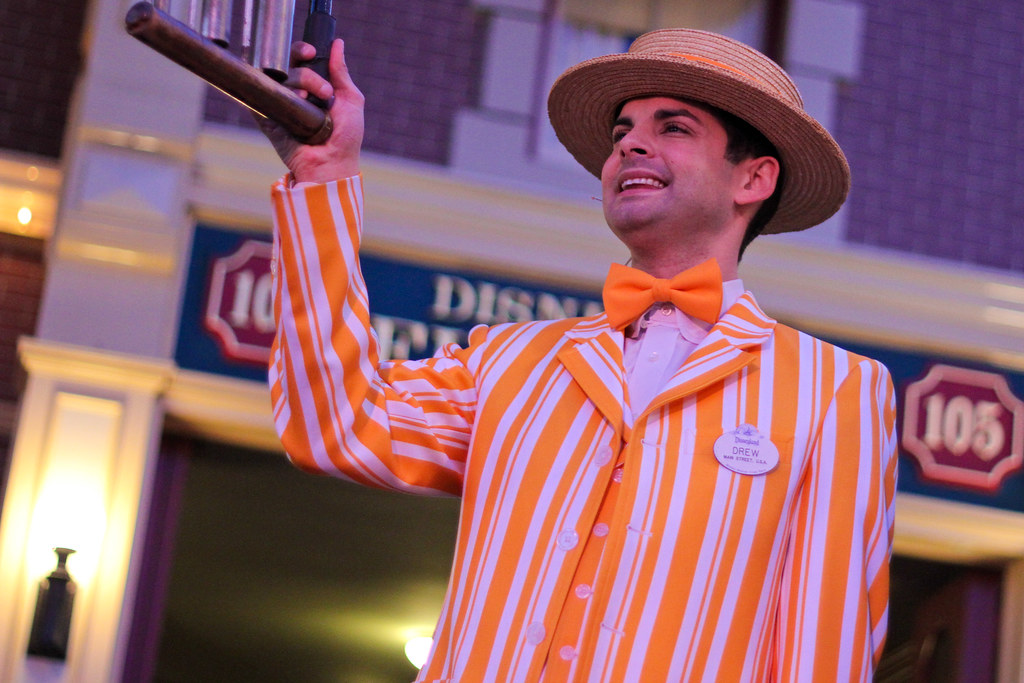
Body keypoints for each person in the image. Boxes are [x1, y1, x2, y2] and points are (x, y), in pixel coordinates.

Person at [261, 28, 898, 682]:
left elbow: (825, 656)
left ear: (754, 177)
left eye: (673, 127)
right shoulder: (511, 359)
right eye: (623, 129)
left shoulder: (837, 391)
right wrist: (323, 178)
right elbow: (335, 423)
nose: (630, 143)